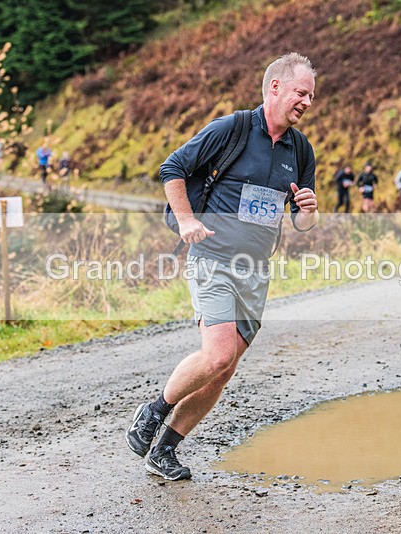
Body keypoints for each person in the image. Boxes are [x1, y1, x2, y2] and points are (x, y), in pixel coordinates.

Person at [126, 53, 318, 481]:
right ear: (275, 88)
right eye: (301, 93)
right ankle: (153, 410)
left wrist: (308, 211)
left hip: (256, 272)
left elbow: (301, 223)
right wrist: (188, 219)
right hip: (212, 260)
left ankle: (165, 450)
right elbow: (172, 167)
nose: (306, 102)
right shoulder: (231, 129)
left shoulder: (301, 150)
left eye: (311, 96)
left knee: (224, 369)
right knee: (217, 356)